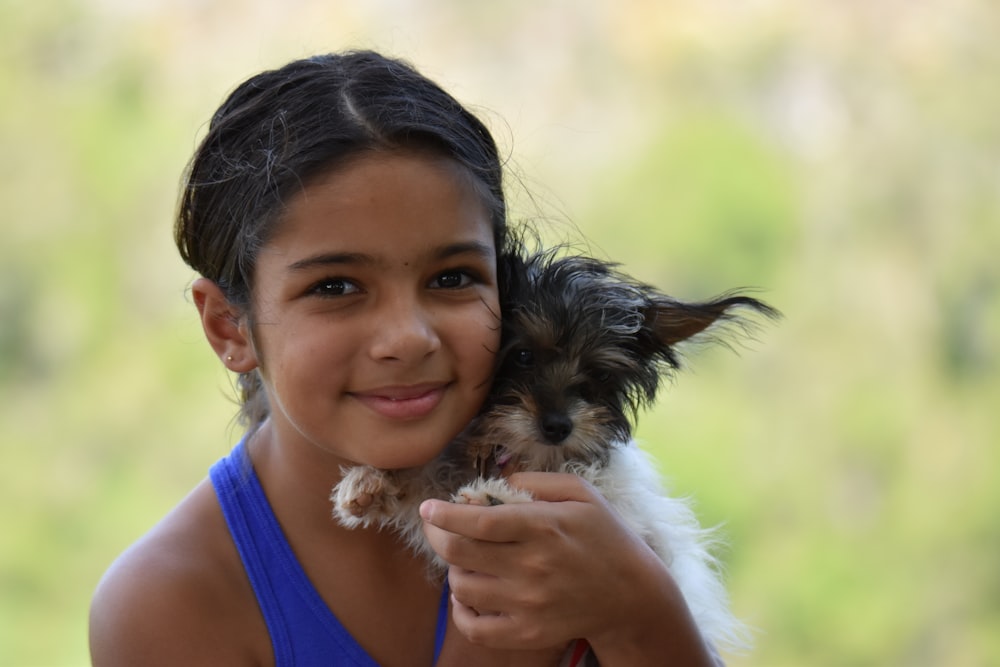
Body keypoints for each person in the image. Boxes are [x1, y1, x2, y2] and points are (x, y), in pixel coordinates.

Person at [88, 50, 723, 666]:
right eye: (335, 286)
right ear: (231, 326)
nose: (408, 337)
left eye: (451, 278)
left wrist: (643, 614)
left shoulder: (607, 526)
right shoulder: (167, 605)